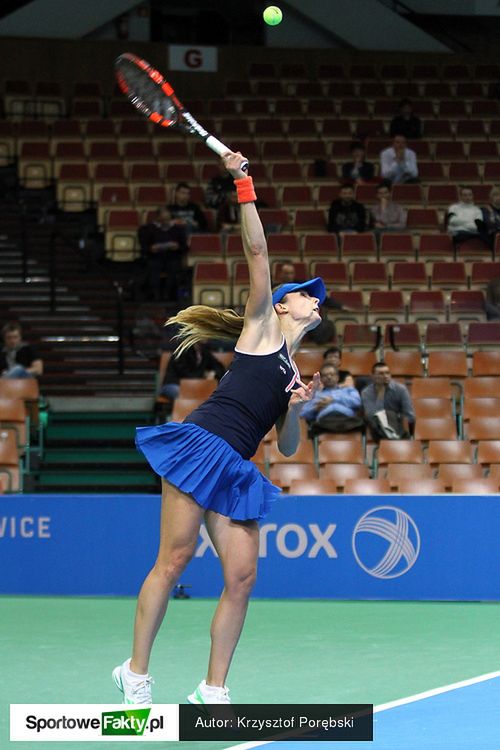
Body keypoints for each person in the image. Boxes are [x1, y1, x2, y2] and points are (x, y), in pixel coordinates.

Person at [112, 151, 325, 706]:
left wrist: (296, 406)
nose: (313, 297)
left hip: (237, 467)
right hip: (201, 444)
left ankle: (212, 689)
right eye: (305, 292)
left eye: (315, 294)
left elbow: (287, 447)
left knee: (243, 576)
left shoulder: (293, 371)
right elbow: (257, 251)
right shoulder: (261, 329)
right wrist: (242, 182)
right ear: (281, 307)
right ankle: (135, 673)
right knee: (175, 559)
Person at [138, 208, 188, 302]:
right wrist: (151, 248)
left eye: (167, 219)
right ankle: (155, 295)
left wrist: (177, 247)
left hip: (172, 256)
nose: (166, 222)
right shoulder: (146, 229)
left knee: (174, 267)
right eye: (163, 219)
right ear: (157, 218)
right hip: (154, 257)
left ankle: (169, 295)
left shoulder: (178, 229)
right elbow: (143, 247)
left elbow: (185, 247)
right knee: (153, 267)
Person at [300, 363, 363, 435]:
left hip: (347, 420)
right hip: (324, 423)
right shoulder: (315, 394)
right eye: (325, 375)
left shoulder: (349, 390)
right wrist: (316, 408)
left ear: (337, 377)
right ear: (321, 379)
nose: (329, 377)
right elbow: (303, 414)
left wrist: (334, 399)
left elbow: (358, 403)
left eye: (332, 374)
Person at [361, 361, 415, 441]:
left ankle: (394, 437)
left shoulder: (400, 389)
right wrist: (381, 392)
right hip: (378, 431)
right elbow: (372, 416)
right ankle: (392, 438)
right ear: (372, 376)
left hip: (398, 427)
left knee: (392, 416)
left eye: (387, 373)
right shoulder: (366, 392)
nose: (385, 376)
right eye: (381, 374)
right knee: (375, 418)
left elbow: (409, 415)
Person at [157, 342, 226, 400]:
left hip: (194, 386)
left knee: (215, 393)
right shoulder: (182, 349)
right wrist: (203, 377)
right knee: (186, 394)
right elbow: (183, 373)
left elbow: (219, 367)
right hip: (174, 384)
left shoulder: (204, 351)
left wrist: (214, 373)